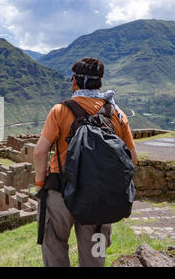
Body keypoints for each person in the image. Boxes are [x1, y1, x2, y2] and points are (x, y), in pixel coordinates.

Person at [33, 57, 137, 267]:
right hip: (100, 197)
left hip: (60, 190)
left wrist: (40, 183)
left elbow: (39, 152)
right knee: (95, 256)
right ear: (99, 83)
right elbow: (132, 159)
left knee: (54, 244)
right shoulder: (116, 114)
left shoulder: (60, 110)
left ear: (75, 82)